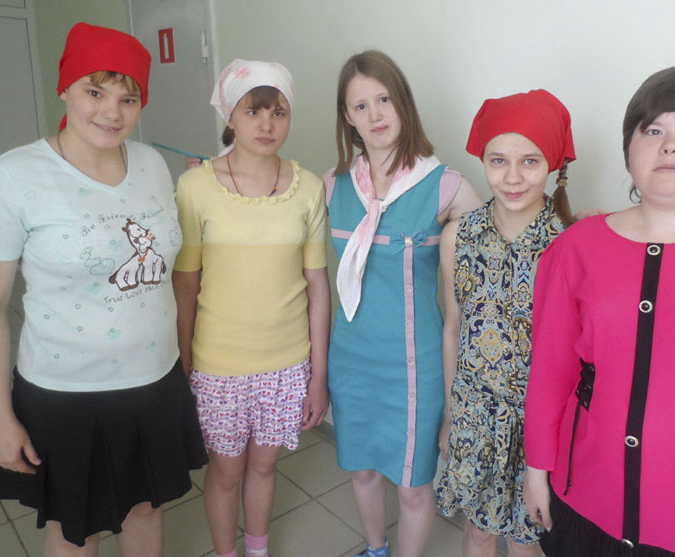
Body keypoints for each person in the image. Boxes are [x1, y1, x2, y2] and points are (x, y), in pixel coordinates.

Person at [0, 22, 207, 556]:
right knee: (77, 528)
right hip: (66, 393)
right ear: (65, 89)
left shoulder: (151, 163)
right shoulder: (14, 177)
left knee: (146, 509)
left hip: (155, 381)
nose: (111, 112)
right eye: (94, 92)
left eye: (128, 98)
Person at [524, 63, 675, 557]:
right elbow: (550, 371)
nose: (670, 145)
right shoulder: (576, 247)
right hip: (582, 496)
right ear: (629, 148)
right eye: (653, 130)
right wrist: (536, 468)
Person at [325, 50, 482, 557]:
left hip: (415, 366)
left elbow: (504, 236)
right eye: (361, 105)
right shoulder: (331, 186)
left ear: (403, 104)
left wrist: (574, 226)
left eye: (384, 100)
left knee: (414, 486)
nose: (375, 114)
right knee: (363, 470)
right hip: (351, 359)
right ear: (348, 117)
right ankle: (376, 549)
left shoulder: (445, 185)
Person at [172, 59, 330, 557]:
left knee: (264, 466)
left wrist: (318, 375)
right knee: (226, 472)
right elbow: (185, 285)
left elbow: (318, 285)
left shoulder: (308, 188)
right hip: (218, 364)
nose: (267, 124)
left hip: (287, 362)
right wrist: (183, 363)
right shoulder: (195, 187)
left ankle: (257, 551)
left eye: (278, 112)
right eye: (253, 111)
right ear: (230, 116)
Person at [436, 90, 576, 557]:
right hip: (475, 415)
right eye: (498, 161)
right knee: (479, 532)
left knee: (526, 538)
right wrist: (453, 415)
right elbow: (454, 328)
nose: (513, 178)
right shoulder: (459, 236)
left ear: (552, 164)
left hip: (540, 427)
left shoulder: (570, 244)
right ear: (483, 160)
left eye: (529, 162)